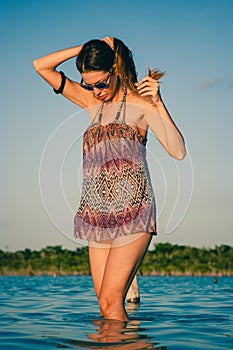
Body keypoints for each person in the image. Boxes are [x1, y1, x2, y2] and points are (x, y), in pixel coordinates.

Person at [33, 36, 186, 322]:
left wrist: (159, 104)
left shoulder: (143, 104)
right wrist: (86, 48)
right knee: (104, 306)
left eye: (101, 83)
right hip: (96, 214)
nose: (96, 90)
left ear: (116, 69)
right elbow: (41, 66)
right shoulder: (91, 101)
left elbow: (177, 151)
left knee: (111, 301)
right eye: (89, 84)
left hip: (134, 211)